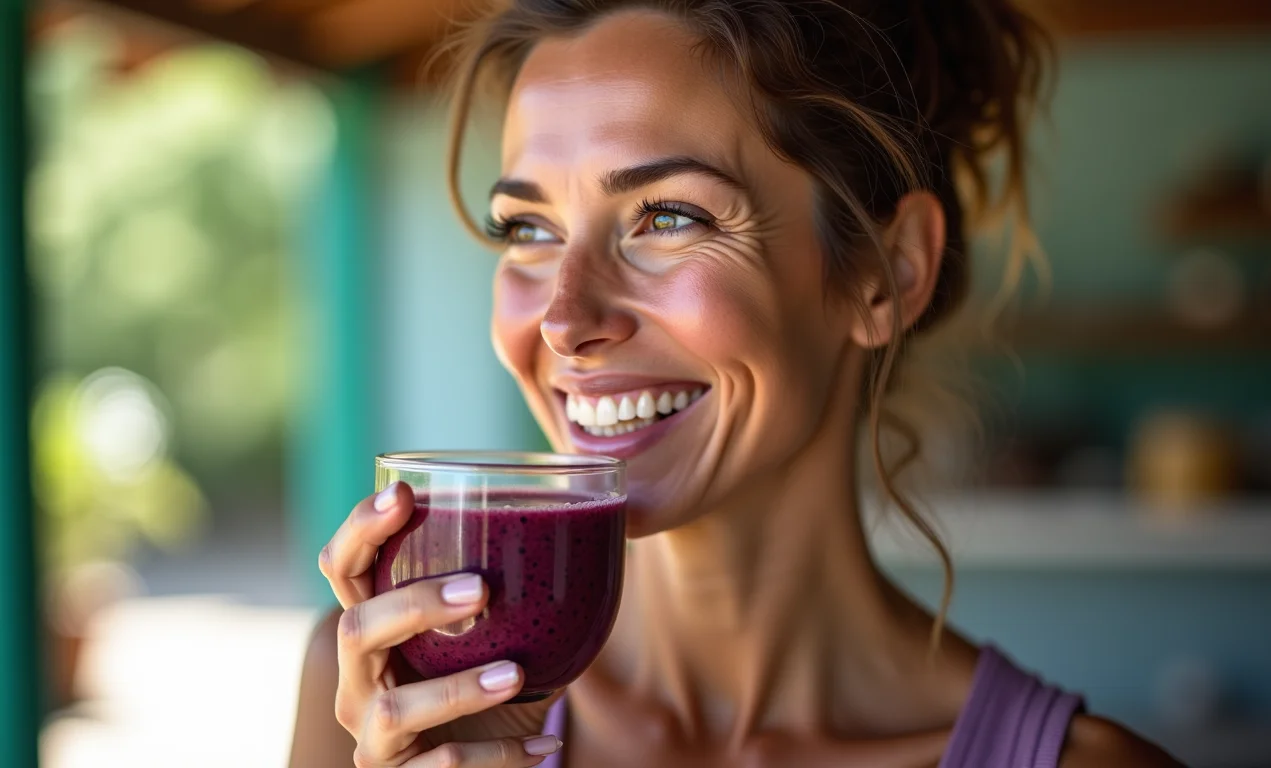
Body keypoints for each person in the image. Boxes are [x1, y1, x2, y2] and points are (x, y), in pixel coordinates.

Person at [289, 2, 1184, 766]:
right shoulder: (389, 705)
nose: (564, 319)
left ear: (888, 274)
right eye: (528, 229)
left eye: (667, 217)